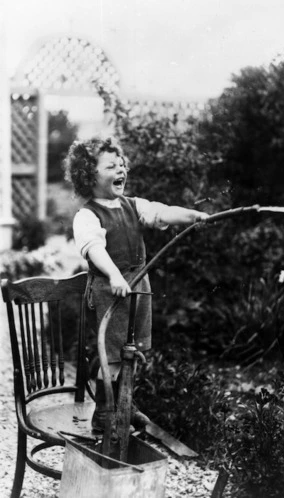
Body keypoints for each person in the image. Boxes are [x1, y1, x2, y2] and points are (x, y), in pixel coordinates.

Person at [64, 136, 208, 432]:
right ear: (89, 176)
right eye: (110, 167)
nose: (120, 171)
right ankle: (105, 413)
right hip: (110, 292)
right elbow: (93, 247)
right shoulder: (87, 215)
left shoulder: (132, 204)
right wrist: (115, 275)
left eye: (121, 165)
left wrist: (192, 216)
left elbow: (160, 211)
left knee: (133, 349)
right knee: (114, 352)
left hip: (138, 286)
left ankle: (125, 402)